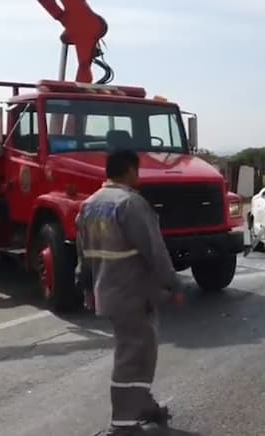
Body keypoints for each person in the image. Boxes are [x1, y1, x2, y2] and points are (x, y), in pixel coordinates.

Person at [75, 149, 183, 436]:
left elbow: (83, 254)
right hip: (133, 294)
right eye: (137, 171)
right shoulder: (131, 204)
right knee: (133, 356)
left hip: (107, 293)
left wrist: (86, 287)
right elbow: (155, 251)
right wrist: (173, 284)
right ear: (129, 171)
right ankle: (123, 424)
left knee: (140, 352)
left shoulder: (89, 205)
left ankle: (142, 405)